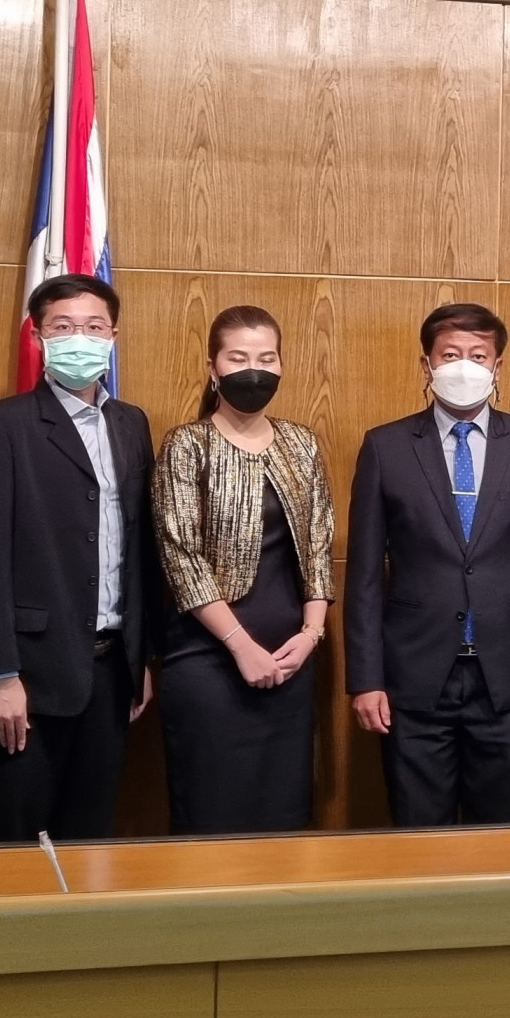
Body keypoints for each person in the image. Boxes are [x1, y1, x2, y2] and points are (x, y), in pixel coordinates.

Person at [345, 302, 510, 825]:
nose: (465, 366)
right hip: (414, 680)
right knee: (418, 836)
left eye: (478, 355)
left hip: (508, 678)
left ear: (498, 366)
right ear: (426, 365)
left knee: (500, 835)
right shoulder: (385, 446)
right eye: (450, 355)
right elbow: (364, 577)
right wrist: (366, 678)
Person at [0, 274, 156, 842]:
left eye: (94, 327)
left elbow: (139, 547)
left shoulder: (131, 423)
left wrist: (140, 657)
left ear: (113, 336)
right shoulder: (1, 425)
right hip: (31, 674)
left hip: (113, 670)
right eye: (64, 327)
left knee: (90, 837)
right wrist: (0, 674)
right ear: (38, 336)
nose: (80, 339)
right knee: (13, 839)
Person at [154, 304, 335, 833]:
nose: (253, 370)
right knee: (214, 813)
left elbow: (319, 542)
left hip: (291, 659)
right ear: (213, 367)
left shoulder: (301, 442)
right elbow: (180, 555)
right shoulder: (186, 444)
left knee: (284, 816)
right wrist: (241, 646)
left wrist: (312, 634)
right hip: (209, 659)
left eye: (266, 358)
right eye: (238, 358)